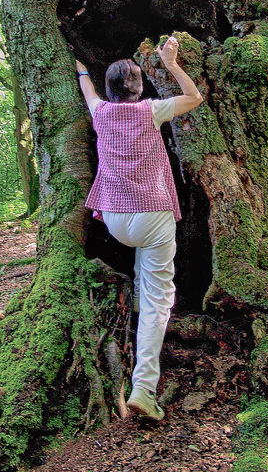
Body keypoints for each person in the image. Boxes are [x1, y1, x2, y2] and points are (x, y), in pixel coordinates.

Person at [75, 36, 203, 421]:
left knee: (142, 277)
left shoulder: (99, 112)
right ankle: (144, 389)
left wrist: (81, 68)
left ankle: (131, 334)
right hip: (153, 214)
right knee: (157, 300)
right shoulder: (152, 110)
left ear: (110, 90)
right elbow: (194, 97)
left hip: (115, 219)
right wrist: (170, 63)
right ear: (140, 86)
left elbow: (87, 88)